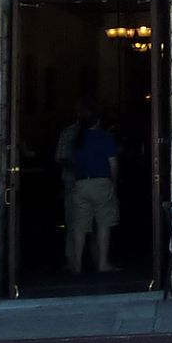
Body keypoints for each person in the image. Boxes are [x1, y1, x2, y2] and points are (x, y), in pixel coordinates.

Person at [59, 105, 119, 274]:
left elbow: (70, 162)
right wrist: (113, 183)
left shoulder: (77, 140)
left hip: (80, 184)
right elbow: (113, 164)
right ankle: (103, 263)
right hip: (101, 183)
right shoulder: (105, 138)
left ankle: (76, 264)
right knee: (103, 224)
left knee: (79, 227)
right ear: (98, 120)